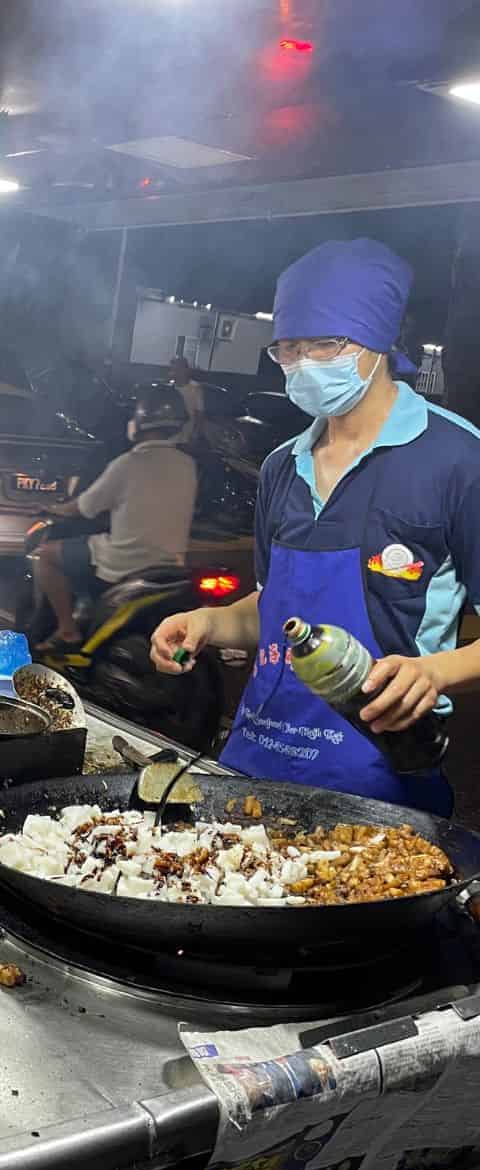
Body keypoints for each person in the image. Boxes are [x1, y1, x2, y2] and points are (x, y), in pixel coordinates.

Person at [151, 238, 480, 816]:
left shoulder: (457, 461)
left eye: (325, 343)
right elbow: (273, 608)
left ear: (378, 340)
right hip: (254, 763)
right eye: (288, 348)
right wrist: (206, 621)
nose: (304, 362)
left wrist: (434, 671)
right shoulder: (283, 465)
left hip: (378, 786)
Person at [34, 384, 197, 649]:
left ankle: (67, 631)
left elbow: (84, 507)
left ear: (140, 422)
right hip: (169, 565)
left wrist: (53, 509)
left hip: (124, 563)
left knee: (46, 554)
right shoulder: (188, 465)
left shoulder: (128, 463)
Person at [169, 356, 205, 443]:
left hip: (186, 436)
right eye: (173, 369)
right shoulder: (169, 387)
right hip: (169, 435)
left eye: (178, 369)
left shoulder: (195, 388)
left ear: (186, 370)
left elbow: (200, 413)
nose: (175, 372)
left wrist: (195, 434)